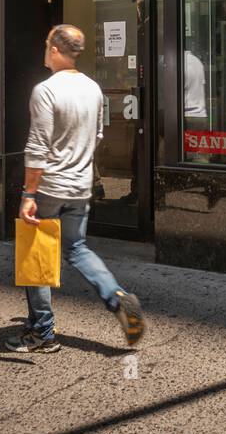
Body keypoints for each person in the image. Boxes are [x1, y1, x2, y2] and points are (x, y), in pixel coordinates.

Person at [8, 25, 145, 352]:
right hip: (80, 186)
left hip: (50, 186)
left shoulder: (46, 90)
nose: (44, 50)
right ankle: (118, 299)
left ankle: (41, 332)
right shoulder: (93, 89)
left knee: (37, 253)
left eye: (46, 44)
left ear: (55, 49)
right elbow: (98, 136)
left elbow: (38, 146)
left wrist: (28, 194)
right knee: (75, 249)